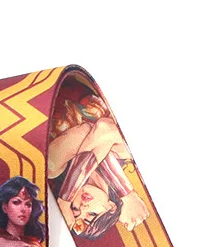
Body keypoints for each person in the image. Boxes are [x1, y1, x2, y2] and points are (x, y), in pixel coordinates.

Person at [48, 91, 149, 239]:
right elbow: (103, 128)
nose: (83, 208)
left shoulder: (55, 168)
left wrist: (64, 200)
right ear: (111, 207)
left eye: (74, 209)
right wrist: (127, 194)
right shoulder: (123, 156)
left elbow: (84, 132)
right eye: (91, 214)